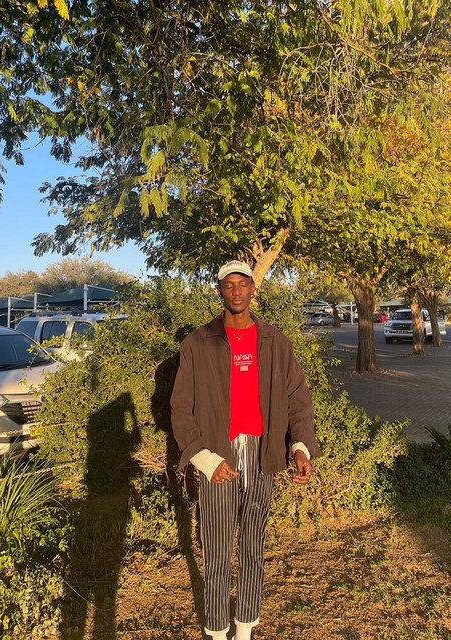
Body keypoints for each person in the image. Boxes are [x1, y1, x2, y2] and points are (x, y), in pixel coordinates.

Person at [171, 260, 322, 640]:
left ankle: (245, 629)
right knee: (218, 550)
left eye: (243, 284)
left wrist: (300, 447)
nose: (236, 291)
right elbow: (180, 407)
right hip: (218, 454)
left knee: (254, 546)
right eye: (229, 285)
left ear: (254, 289)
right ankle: (217, 631)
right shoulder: (197, 343)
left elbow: (297, 399)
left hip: (262, 452)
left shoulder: (274, 341)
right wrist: (205, 459)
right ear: (219, 290)